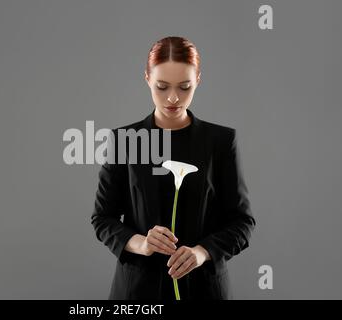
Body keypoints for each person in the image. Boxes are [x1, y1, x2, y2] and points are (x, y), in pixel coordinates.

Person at [91, 36, 256, 300]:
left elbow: (242, 222)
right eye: (161, 86)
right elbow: (102, 218)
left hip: (204, 289)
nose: (173, 98)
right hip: (138, 291)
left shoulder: (221, 142)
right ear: (147, 78)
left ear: (198, 80)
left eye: (184, 87)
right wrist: (142, 244)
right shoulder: (125, 141)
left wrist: (202, 252)